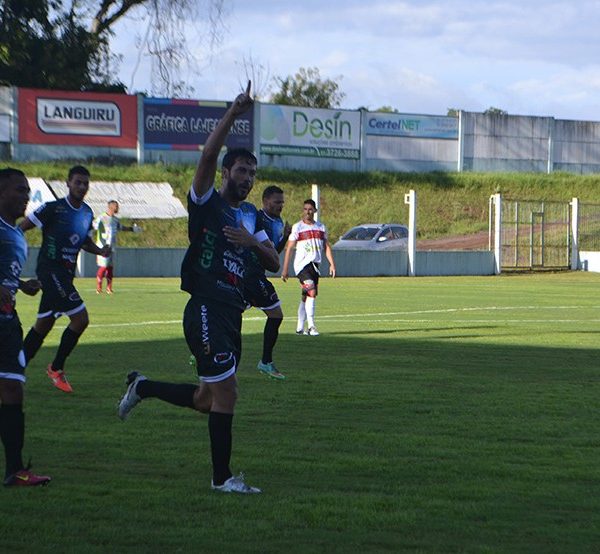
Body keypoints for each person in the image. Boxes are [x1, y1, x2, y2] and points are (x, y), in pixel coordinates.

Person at [117, 82, 279, 494]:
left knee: (210, 399)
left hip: (231, 313)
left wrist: (252, 243)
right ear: (226, 173)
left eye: (252, 173)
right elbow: (207, 154)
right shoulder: (207, 203)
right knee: (226, 396)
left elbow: (275, 262)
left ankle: (144, 386)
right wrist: (232, 114)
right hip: (206, 307)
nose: (247, 178)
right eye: (241, 170)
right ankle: (222, 479)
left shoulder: (245, 219)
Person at [19, 166, 111, 393]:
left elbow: (84, 242)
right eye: (77, 182)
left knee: (43, 325)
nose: (81, 187)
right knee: (80, 319)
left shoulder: (87, 213)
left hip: (66, 276)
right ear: (68, 183)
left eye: (85, 183)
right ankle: (56, 368)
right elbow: (22, 226)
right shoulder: (53, 209)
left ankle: (13, 370)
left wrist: (100, 251)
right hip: (50, 272)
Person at [0, 168, 51, 486]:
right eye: (20, 190)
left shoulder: (16, 233)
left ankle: (15, 470)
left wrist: (20, 285)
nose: (26, 196)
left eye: (28, 190)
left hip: (7, 322)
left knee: (12, 389)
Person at [244, 185, 291, 380]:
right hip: (250, 273)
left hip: (256, 273)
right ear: (265, 201)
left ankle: (202, 352)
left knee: (228, 314)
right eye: (277, 201)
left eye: (282, 202)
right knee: (276, 314)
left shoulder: (278, 222)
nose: (281, 205)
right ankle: (265, 362)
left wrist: (286, 237)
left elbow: (273, 255)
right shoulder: (257, 218)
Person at [281, 198, 336, 336]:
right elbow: (289, 248)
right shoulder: (298, 227)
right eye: (305, 209)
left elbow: (326, 246)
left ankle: (300, 327)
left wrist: (332, 264)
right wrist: (285, 269)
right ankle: (311, 326)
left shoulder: (321, 227)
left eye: (310, 209)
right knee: (312, 291)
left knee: (306, 296)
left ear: (315, 211)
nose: (307, 212)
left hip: (315, 265)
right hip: (302, 266)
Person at [93, 200, 139, 294]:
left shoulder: (115, 219)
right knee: (104, 266)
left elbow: (121, 227)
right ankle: (99, 287)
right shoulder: (102, 218)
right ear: (111, 207)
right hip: (103, 247)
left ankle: (109, 288)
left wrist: (132, 229)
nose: (118, 208)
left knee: (110, 267)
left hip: (112, 247)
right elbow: (93, 226)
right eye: (116, 206)